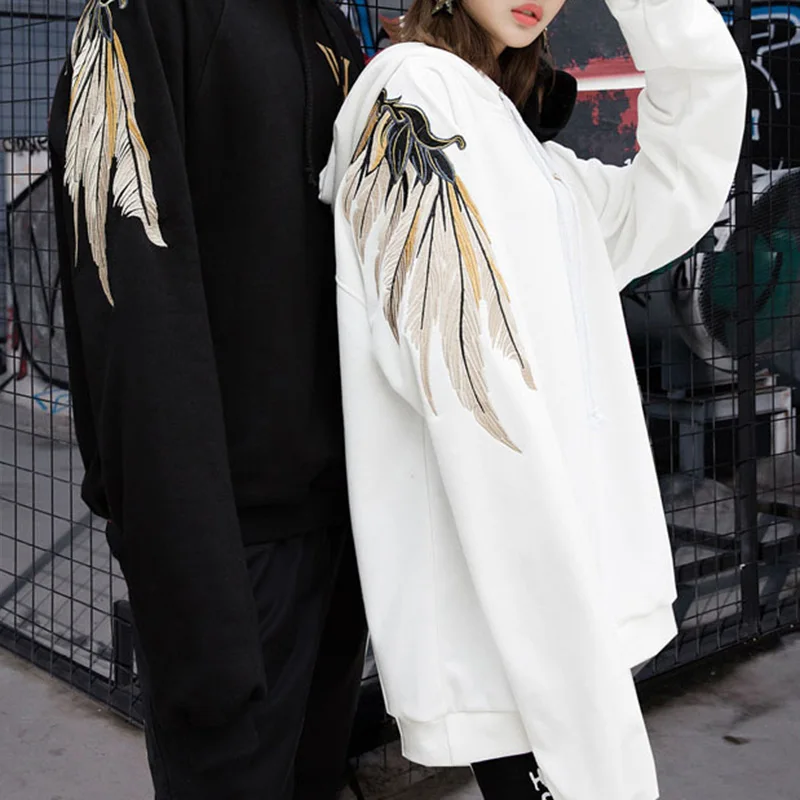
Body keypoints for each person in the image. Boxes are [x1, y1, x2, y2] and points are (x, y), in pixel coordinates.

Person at [319, 0, 746, 796]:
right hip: (518, 632)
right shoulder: (415, 99)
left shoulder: (516, 146)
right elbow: (475, 406)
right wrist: (577, 693)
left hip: (552, 620)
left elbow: (677, 179)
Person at [48, 0, 368, 797]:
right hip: (226, 553)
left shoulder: (330, 25)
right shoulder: (139, 17)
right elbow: (134, 323)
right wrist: (190, 587)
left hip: (344, 528)